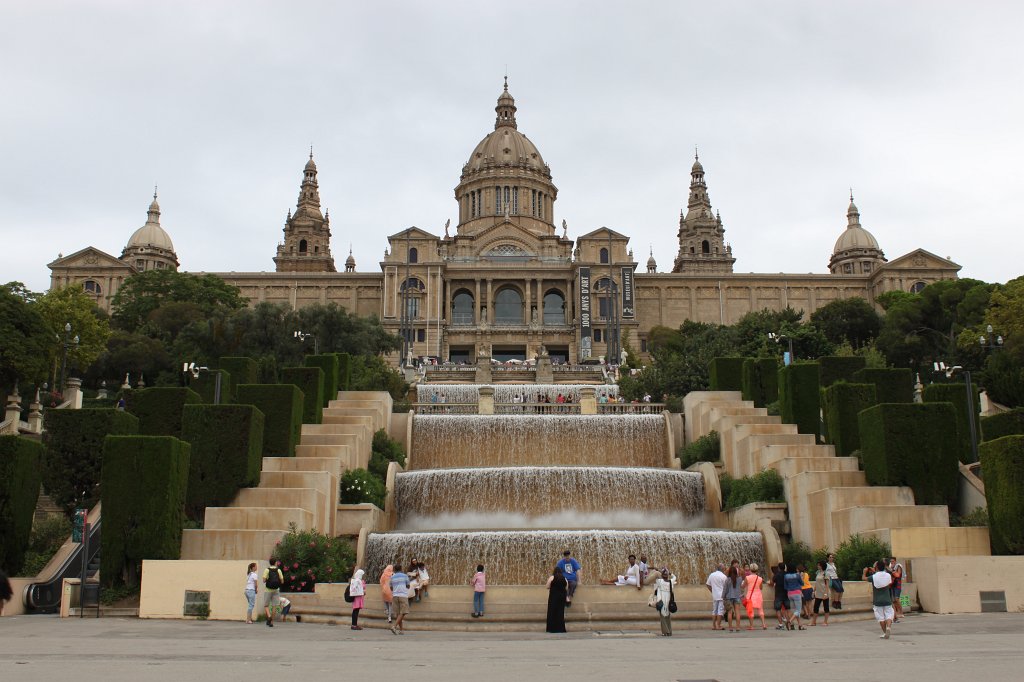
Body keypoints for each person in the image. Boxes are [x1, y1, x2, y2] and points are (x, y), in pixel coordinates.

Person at [868, 560, 894, 639]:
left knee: (880, 617)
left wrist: (864, 572)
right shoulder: (888, 575)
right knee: (889, 614)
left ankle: (885, 632)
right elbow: (888, 583)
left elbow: (864, 578)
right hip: (887, 599)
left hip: (877, 600)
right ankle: (889, 627)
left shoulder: (874, 576)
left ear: (876, 567)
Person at [705, 563, 728, 630]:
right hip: (721, 596)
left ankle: (714, 625)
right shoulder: (723, 576)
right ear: (722, 568)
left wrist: (712, 591)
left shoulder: (712, 575)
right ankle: (718, 625)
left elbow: (708, 584)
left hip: (715, 595)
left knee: (714, 610)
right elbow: (726, 587)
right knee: (720, 611)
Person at [743, 562, 766, 630]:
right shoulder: (760, 578)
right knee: (760, 610)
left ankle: (752, 626)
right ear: (757, 570)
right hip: (758, 595)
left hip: (750, 596)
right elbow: (761, 588)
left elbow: (743, 586)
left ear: (750, 569)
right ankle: (763, 624)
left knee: (750, 611)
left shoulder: (747, 577)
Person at [653, 568, 675, 636]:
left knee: (667, 615)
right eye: (664, 574)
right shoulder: (659, 581)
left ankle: (669, 631)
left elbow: (675, 577)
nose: (665, 575)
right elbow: (656, 578)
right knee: (662, 615)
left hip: (668, 599)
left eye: (666, 574)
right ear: (662, 575)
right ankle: (666, 631)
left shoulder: (670, 581)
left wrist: (670, 573)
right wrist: (659, 600)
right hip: (662, 599)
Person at [262, 557, 284, 627]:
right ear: (275, 563)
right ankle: (271, 622)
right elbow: (282, 581)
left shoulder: (267, 570)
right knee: (274, 606)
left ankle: (269, 616)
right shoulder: (279, 570)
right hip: (276, 590)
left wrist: (268, 579)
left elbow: (264, 580)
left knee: (266, 605)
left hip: (268, 589)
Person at [390, 563, 411, 635]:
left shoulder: (392, 577)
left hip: (395, 596)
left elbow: (391, 588)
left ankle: (401, 630)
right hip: (403, 596)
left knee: (398, 613)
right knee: (403, 612)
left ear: (395, 569)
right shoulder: (405, 576)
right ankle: (394, 626)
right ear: (401, 569)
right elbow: (408, 586)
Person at [784, 563, 806, 630]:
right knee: (798, 610)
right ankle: (790, 622)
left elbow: (785, 586)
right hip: (797, 593)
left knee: (794, 610)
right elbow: (802, 583)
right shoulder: (797, 575)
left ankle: (800, 625)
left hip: (789, 594)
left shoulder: (786, 576)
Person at [546, 566, 568, 633]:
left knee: (552, 612)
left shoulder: (552, 577)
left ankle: (551, 629)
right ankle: (561, 629)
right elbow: (566, 587)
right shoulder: (565, 578)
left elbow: (547, 586)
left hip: (553, 597)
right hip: (562, 597)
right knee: (560, 612)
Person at [723, 565, 744, 632]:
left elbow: (725, 590)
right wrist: (738, 569)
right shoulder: (739, 579)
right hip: (737, 596)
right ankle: (738, 627)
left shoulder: (727, 580)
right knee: (737, 612)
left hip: (729, 597)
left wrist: (723, 596)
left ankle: (730, 627)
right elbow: (742, 574)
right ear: (736, 572)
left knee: (729, 612)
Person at [770, 562, 790, 630]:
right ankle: (789, 622)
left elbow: (772, 583)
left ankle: (781, 624)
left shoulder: (777, 575)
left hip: (778, 594)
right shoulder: (787, 574)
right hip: (786, 594)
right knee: (787, 609)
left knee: (778, 610)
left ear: (778, 568)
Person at [811, 560, 830, 626]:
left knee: (826, 607)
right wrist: (813, 591)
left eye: (819, 565)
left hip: (824, 592)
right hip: (818, 593)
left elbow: (827, 584)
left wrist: (825, 593)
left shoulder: (826, 573)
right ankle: (813, 622)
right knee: (815, 607)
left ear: (822, 566)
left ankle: (825, 621)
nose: (818, 566)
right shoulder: (818, 573)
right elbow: (816, 583)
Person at [888, 557, 905, 622]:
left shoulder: (898, 566)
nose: (891, 562)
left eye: (892, 561)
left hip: (897, 585)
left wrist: (892, 570)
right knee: (894, 600)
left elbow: (898, 574)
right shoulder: (890, 567)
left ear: (895, 561)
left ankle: (901, 612)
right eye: (891, 561)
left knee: (897, 599)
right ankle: (897, 612)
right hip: (892, 585)